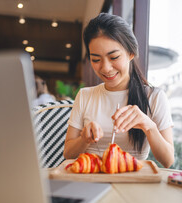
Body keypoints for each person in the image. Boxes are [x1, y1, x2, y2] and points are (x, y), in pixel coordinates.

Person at [63, 13, 174, 168]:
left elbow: (168, 161)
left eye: (114, 57)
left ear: (131, 53)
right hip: (90, 180)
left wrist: (148, 126)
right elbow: (68, 154)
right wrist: (84, 138)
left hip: (132, 182)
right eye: (96, 59)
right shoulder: (85, 96)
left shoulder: (154, 97)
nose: (106, 68)